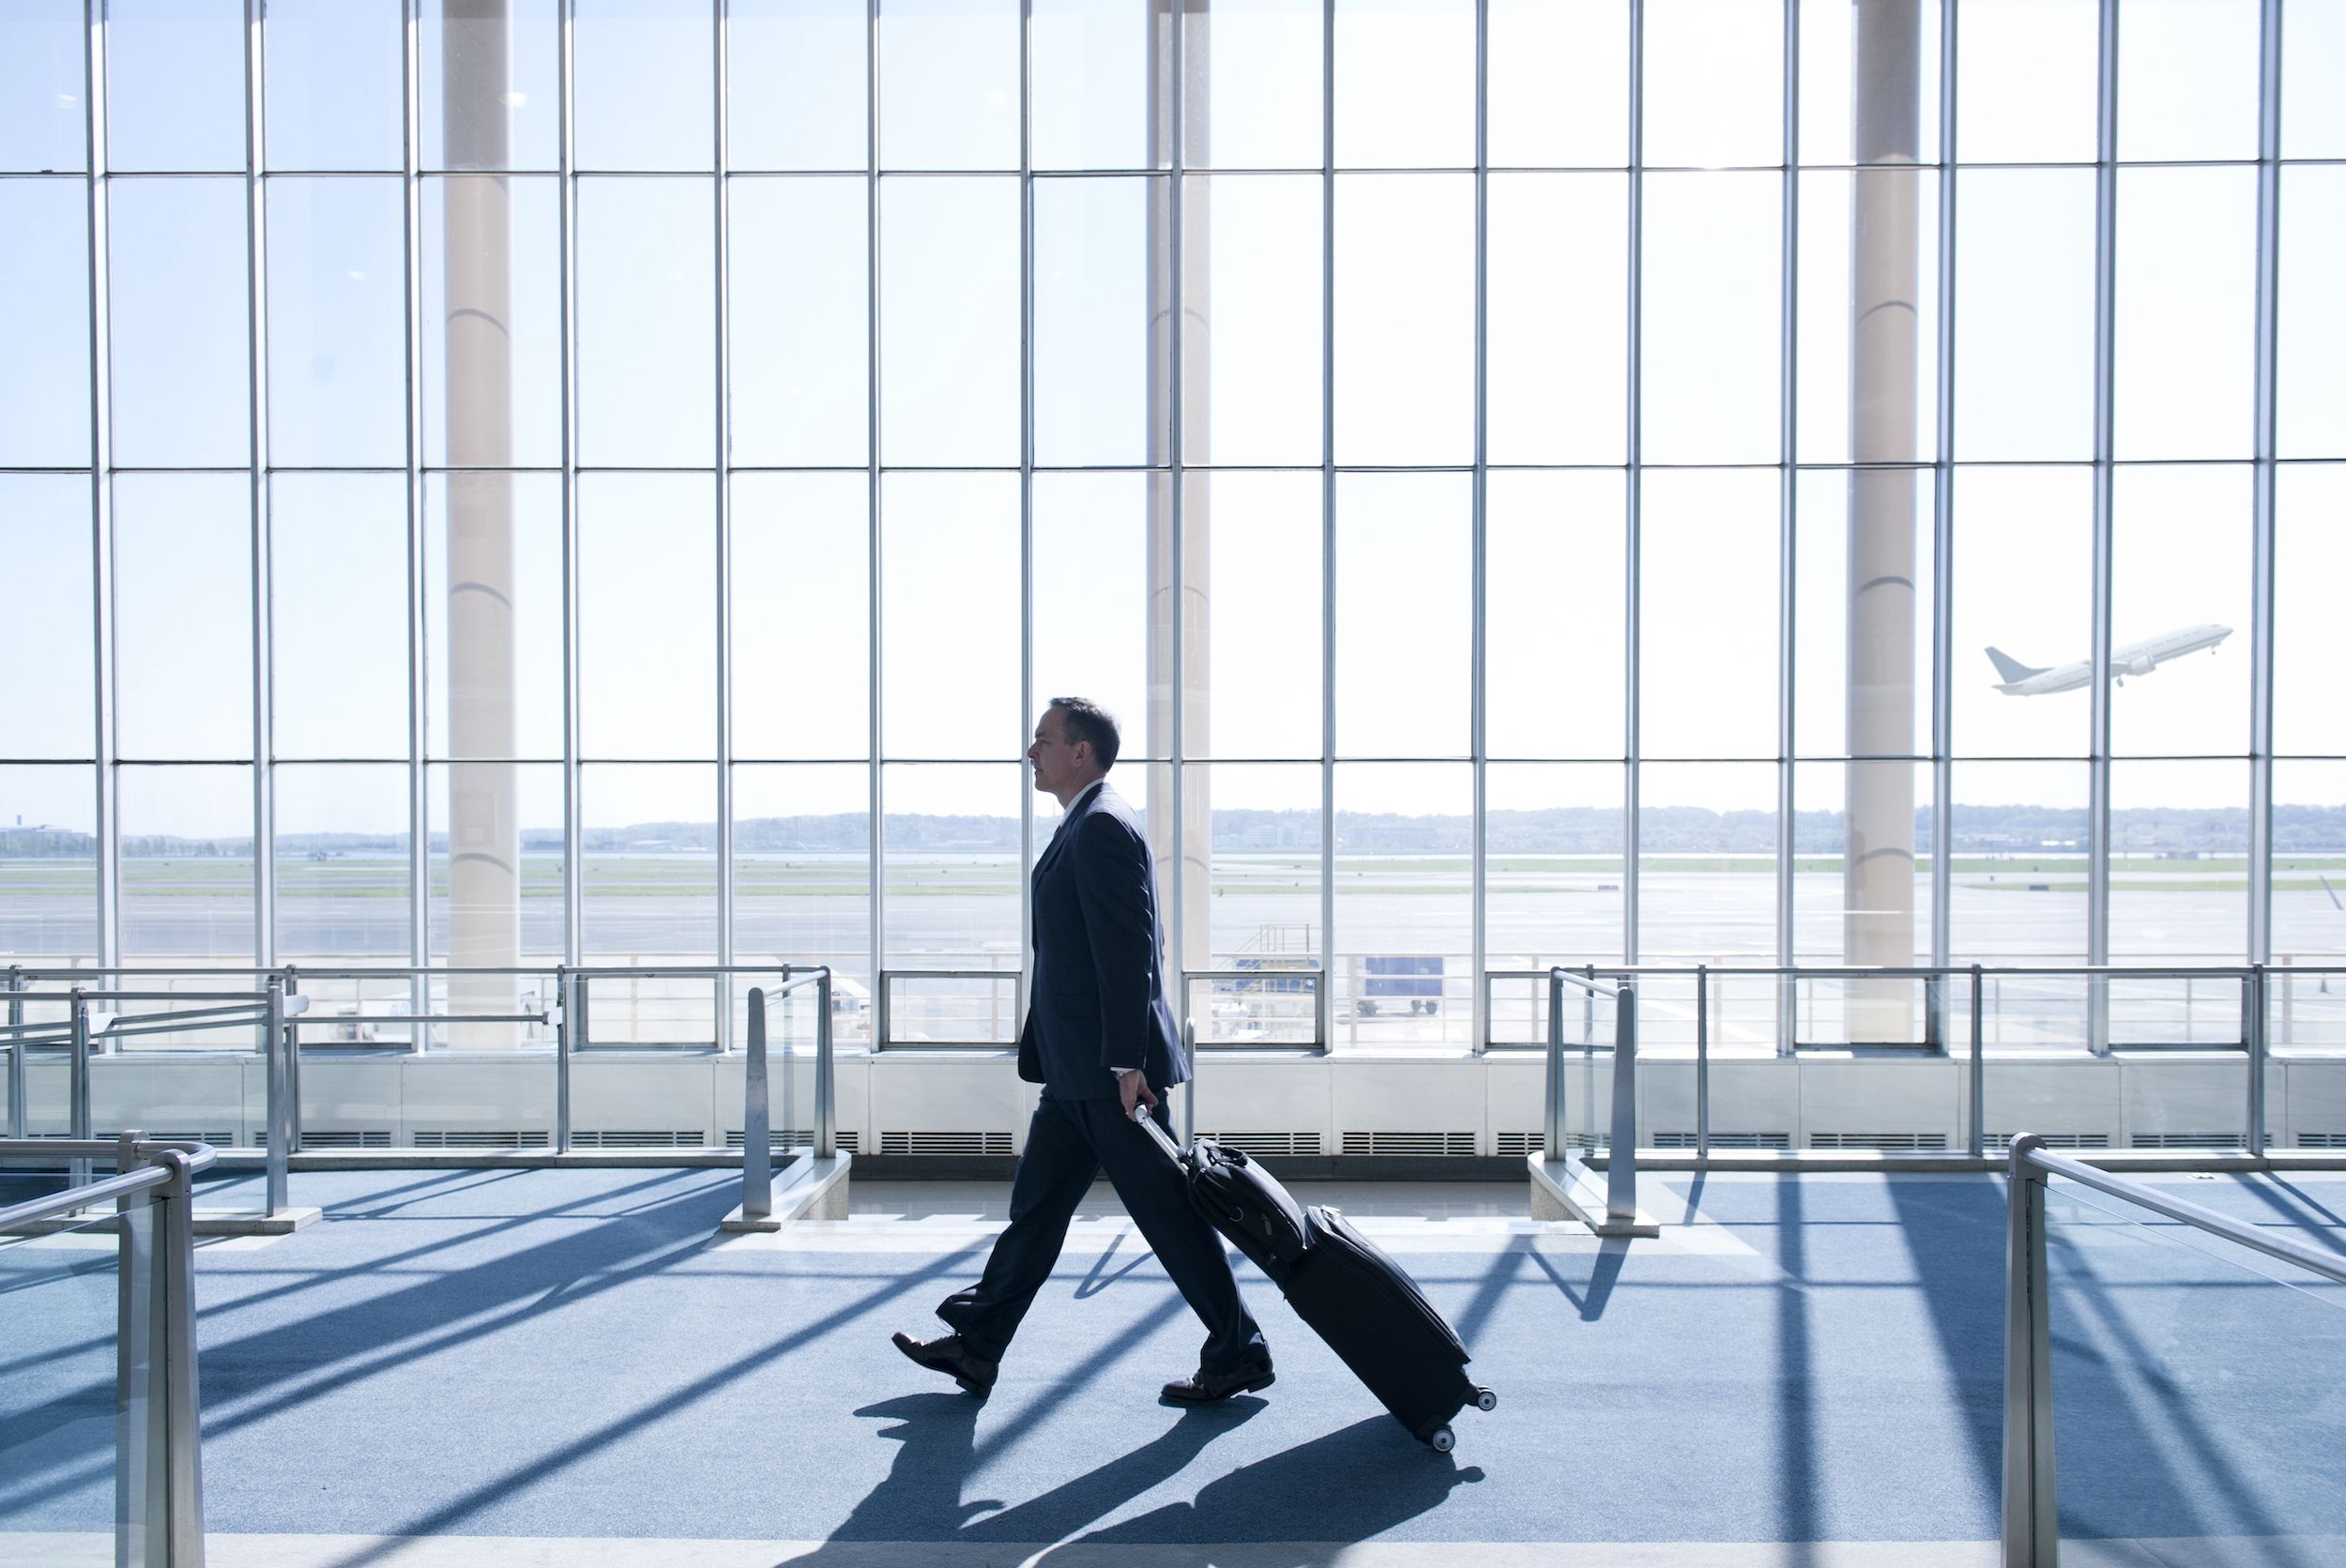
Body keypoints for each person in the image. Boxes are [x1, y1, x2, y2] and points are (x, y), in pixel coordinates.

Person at [892, 696, 1273, 1405]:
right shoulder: (1088, 821)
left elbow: (1130, 954)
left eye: (1042, 740)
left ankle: (1239, 1349)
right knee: (1036, 1210)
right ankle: (978, 1346)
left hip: (1108, 1075)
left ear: (1081, 751)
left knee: (1168, 1215)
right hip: (1078, 1073)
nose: (1030, 752)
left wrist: (1127, 1064)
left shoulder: (1099, 825)